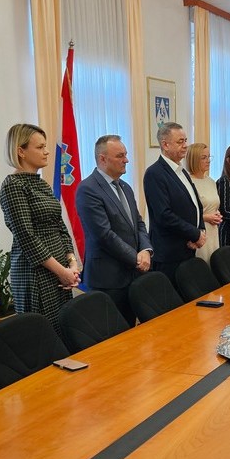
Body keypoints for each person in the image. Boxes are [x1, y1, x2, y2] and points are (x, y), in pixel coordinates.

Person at [0, 123, 79, 335]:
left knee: (65, 331)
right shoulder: (13, 185)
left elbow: (60, 226)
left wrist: (71, 262)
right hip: (35, 273)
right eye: (40, 147)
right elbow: (26, 236)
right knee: (44, 336)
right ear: (21, 151)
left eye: (46, 146)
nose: (47, 151)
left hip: (60, 270)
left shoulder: (41, 183)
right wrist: (62, 271)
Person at [76, 135, 152, 326]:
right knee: (112, 336)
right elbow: (103, 235)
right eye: (120, 156)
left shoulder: (125, 187)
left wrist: (146, 250)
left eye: (125, 154)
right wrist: (136, 258)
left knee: (132, 331)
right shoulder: (88, 189)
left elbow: (138, 223)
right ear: (102, 159)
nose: (126, 160)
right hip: (107, 279)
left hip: (132, 275)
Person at [143, 122, 205, 285]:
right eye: (180, 142)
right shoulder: (154, 173)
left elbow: (196, 205)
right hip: (169, 253)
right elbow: (164, 215)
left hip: (189, 247)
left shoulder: (181, 171)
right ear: (165, 145)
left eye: (185, 141)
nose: (185, 146)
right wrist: (195, 234)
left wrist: (200, 230)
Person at [186, 142, 221, 263]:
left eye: (209, 157)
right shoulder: (188, 183)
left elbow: (213, 204)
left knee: (214, 263)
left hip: (213, 230)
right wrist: (206, 217)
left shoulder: (211, 181)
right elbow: (187, 214)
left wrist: (217, 214)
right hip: (199, 231)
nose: (208, 161)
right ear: (194, 159)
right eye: (203, 158)